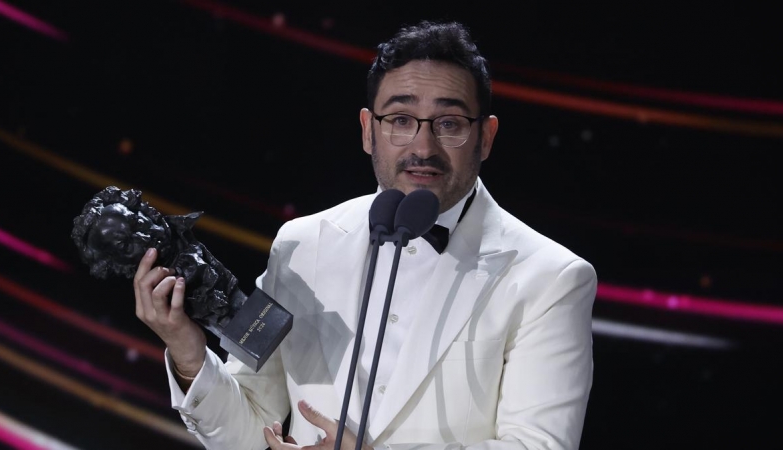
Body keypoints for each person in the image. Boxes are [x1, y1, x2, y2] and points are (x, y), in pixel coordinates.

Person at [134, 19, 597, 450]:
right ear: (367, 131)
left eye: (449, 124)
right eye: (400, 120)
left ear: (486, 137)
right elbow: (253, 431)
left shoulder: (551, 278)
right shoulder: (301, 245)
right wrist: (190, 355)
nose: (422, 146)